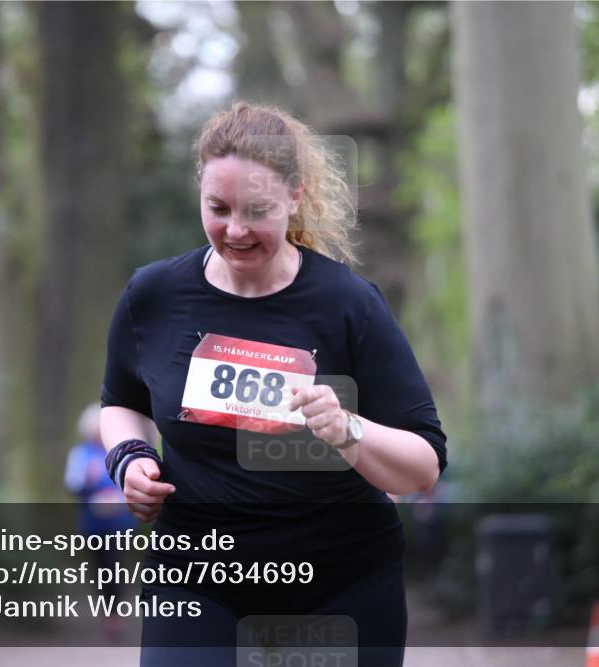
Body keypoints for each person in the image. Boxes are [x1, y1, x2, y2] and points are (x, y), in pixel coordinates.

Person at [100, 101, 447, 666]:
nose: (234, 231)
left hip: (339, 586)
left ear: (295, 196)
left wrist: (347, 428)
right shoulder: (153, 296)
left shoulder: (348, 306)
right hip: (197, 578)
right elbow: (121, 402)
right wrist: (130, 459)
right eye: (218, 208)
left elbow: (424, 466)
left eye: (257, 210)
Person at [64, 403, 135, 640]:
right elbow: (72, 485)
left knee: (115, 567)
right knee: (100, 569)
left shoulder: (117, 452)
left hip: (119, 523)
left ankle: (115, 617)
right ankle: (107, 612)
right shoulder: (81, 454)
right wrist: (87, 482)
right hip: (93, 524)